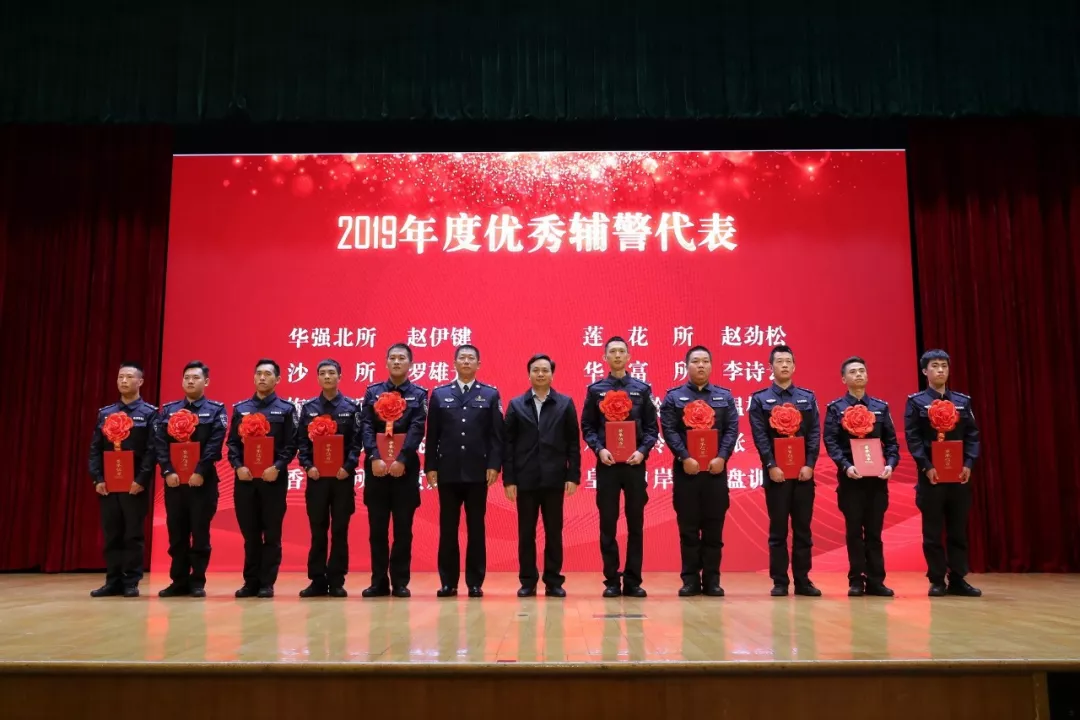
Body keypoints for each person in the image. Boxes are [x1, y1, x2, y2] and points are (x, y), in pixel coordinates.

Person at [580, 336, 658, 598]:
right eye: (612, 351)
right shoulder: (595, 390)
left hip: (635, 465)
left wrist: (642, 451)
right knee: (608, 524)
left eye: (621, 351)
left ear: (629, 356)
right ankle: (612, 580)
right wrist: (599, 449)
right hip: (608, 465)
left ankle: (633, 581)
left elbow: (651, 428)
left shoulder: (642, 390)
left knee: (636, 524)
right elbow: (587, 426)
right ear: (604, 357)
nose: (616, 355)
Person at [659, 345, 739, 597]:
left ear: (711, 366)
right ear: (687, 366)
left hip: (715, 472)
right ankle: (690, 580)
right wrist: (684, 456)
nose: (701, 365)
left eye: (705, 361)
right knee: (689, 530)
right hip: (687, 472)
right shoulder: (674, 397)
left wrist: (722, 457)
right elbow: (669, 430)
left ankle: (712, 580)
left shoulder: (724, 397)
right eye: (695, 361)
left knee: (714, 529)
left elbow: (731, 430)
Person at [425, 344, 504, 598]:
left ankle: (474, 582)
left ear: (479, 364)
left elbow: (496, 436)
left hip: (477, 472)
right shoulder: (440, 394)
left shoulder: (490, 394)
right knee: (448, 529)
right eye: (462, 358)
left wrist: (494, 465)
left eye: (471, 358)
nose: (467, 362)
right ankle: (448, 582)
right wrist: (430, 466)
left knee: (476, 529)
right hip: (447, 472)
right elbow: (432, 435)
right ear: (455, 363)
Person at [904, 349, 982, 597]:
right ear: (924, 371)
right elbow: (913, 439)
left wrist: (968, 463)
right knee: (933, 532)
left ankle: (958, 578)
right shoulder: (916, 402)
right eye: (935, 366)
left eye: (944, 366)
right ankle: (937, 579)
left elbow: (972, 435)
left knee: (958, 530)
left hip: (959, 477)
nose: (940, 370)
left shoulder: (962, 401)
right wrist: (926, 466)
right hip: (932, 478)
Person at [503, 354, 581, 598]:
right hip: (525, 480)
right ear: (529, 374)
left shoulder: (564, 404)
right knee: (526, 533)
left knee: (554, 533)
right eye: (535, 370)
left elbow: (573, 443)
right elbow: (508, 445)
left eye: (545, 370)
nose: (540, 374)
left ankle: (553, 581)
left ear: (552, 375)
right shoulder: (516, 405)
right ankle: (527, 581)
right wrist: (509, 479)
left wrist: (573, 476)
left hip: (554, 479)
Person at [748, 344, 822, 597]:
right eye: (779, 361)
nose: (784, 365)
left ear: (794, 366)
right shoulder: (760, 399)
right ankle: (780, 581)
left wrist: (810, 464)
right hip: (776, 475)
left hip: (803, 475)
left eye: (788, 361)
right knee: (778, 530)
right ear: (771, 367)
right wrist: (771, 464)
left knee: (803, 530)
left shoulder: (807, 398)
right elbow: (760, 436)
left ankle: (803, 580)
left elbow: (814, 433)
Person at [822, 356, 900, 597]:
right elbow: (831, 442)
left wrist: (890, 465)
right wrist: (845, 466)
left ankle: (876, 580)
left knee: (875, 533)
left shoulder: (880, 407)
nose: (858, 375)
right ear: (843, 379)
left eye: (862, 371)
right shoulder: (835, 408)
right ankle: (856, 580)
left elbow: (892, 443)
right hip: (851, 480)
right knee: (854, 532)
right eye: (853, 372)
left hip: (877, 481)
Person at [359, 343, 429, 598]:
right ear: (386, 362)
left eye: (402, 358)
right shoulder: (373, 392)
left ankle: (400, 581)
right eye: (393, 358)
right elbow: (366, 426)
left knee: (403, 530)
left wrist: (402, 459)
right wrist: (374, 457)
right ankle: (378, 581)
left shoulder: (419, 394)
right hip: (376, 470)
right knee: (377, 530)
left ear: (410, 364)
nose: (397, 362)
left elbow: (417, 428)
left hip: (404, 471)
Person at [225, 358, 298, 599]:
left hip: (273, 480)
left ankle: (267, 582)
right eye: (258, 373)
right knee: (250, 534)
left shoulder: (286, 409)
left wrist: (277, 466)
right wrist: (238, 466)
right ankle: (250, 581)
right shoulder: (241, 408)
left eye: (267, 374)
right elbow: (232, 444)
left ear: (278, 379)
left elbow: (291, 445)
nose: (262, 377)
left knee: (272, 533)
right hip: (245, 480)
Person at [154, 361, 227, 598]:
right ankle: (178, 580)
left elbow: (214, 445)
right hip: (175, 483)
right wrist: (167, 471)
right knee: (177, 533)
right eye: (186, 377)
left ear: (206, 382)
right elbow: (160, 444)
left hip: (202, 483)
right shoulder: (169, 410)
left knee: (200, 533)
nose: (190, 381)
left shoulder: (216, 410)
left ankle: (197, 581)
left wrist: (200, 471)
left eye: (195, 378)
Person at [87, 362, 158, 598]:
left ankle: (131, 581)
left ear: (140, 382)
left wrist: (141, 479)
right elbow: (95, 448)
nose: (124, 381)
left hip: (134, 485)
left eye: (129, 377)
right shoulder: (106, 413)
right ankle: (113, 580)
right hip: (108, 485)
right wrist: (97, 478)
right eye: (120, 377)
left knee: (133, 534)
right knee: (112, 534)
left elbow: (152, 450)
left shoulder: (149, 413)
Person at [296, 359, 362, 598]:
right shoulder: (309, 408)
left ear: (339, 377)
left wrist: (348, 466)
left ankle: (336, 580)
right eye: (322, 373)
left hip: (342, 479)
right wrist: (308, 466)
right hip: (317, 480)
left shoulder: (351, 407)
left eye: (331, 372)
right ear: (317, 378)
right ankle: (317, 580)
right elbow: (302, 443)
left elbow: (356, 443)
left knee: (340, 530)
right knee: (318, 530)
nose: (327, 376)